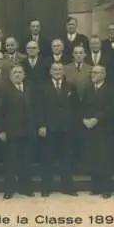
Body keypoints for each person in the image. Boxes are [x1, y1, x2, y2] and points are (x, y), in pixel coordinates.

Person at [37, 62, 78, 197]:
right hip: (49, 128)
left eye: (60, 69)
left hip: (66, 128)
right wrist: (41, 125)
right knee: (47, 158)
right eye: (55, 69)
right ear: (50, 72)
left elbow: (76, 107)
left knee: (66, 158)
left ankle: (67, 186)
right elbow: (39, 107)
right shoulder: (43, 86)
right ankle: (46, 187)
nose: (58, 71)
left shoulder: (70, 86)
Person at [0, 65, 37, 199]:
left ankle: (26, 188)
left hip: (28, 130)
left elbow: (35, 106)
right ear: (10, 75)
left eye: (20, 72)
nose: (18, 74)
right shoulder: (3, 88)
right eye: (15, 72)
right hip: (11, 131)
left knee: (26, 161)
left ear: (24, 75)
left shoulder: (30, 86)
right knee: (11, 161)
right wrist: (1, 130)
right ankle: (9, 189)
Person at [80, 65, 114, 198]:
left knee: (104, 159)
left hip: (104, 128)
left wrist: (97, 119)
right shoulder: (88, 89)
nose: (93, 75)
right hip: (90, 129)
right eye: (92, 72)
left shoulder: (111, 89)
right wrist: (84, 119)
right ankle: (95, 187)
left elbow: (112, 108)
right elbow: (82, 106)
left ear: (103, 74)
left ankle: (106, 188)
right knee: (93, 158)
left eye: (96, 72)